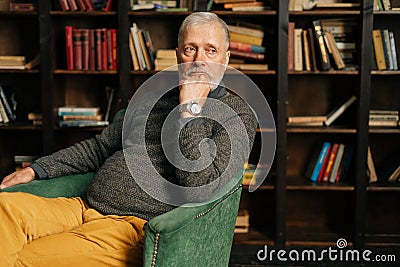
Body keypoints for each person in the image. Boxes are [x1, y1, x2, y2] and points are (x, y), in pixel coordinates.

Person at [0, 12, 257, 266]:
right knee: (3, 209)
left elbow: (200, 185)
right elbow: (99, 148)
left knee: (27, 259)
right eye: (191, 49)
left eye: (210, 51)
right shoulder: (152, 98)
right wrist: (37, 170)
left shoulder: (236, 114)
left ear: (225, 59)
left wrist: (189, 110)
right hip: (81, 207)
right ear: (178, 54)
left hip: (129, 227)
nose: (198, 61)